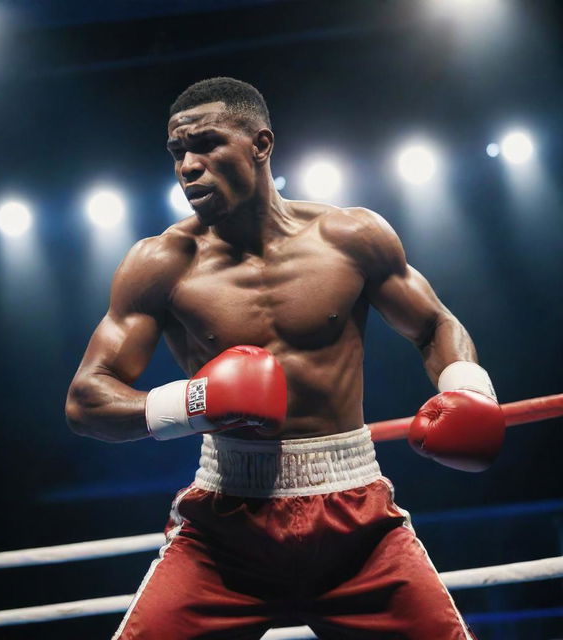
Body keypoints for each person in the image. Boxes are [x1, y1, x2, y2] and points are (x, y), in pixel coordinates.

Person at [65, 77, 505, 639]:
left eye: (205, 144)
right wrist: (196, 402)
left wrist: (466, 390)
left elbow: (435, 324)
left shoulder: (350, 236)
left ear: (261, 144)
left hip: (358, 521)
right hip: (225, 528)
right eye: (178, 153)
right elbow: (86, 400)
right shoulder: (162, 262)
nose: (188, 166)